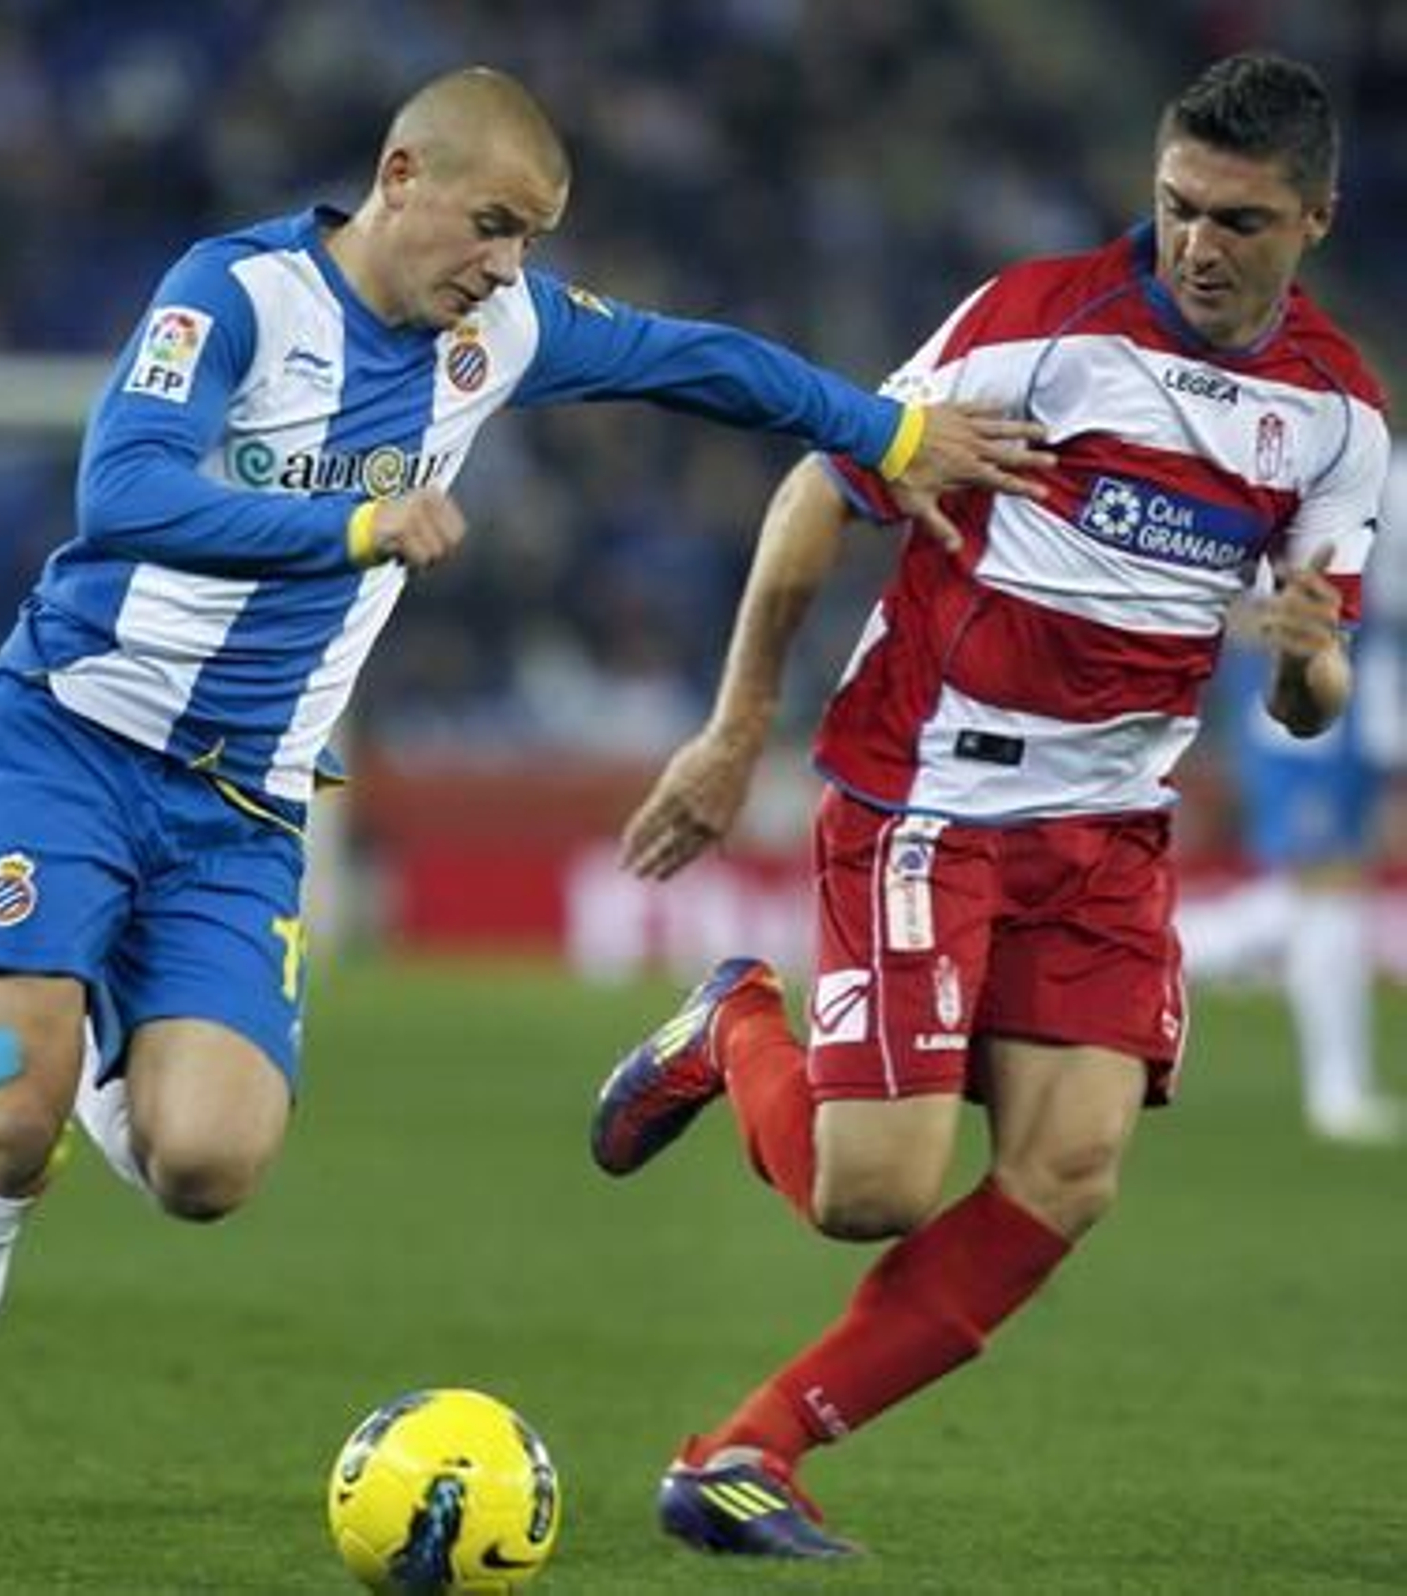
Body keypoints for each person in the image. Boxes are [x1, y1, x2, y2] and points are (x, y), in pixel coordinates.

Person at [0, 66, 1049, 1589]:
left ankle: (86, 1043)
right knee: (8, 1115)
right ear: (401, 177)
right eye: (492, 224)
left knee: (208, 1167)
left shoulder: (504, 332)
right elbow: (120, 493)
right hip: (68, 741)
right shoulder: (237, 296)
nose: (507, 265)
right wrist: (352, 524)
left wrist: (890, 428)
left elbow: (703, 361)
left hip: (241, 810)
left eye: (531, 238)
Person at [590, 51, 1388, 1560]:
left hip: (1110, 830)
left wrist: (1304, 663)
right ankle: (733, 1027)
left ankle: (746, 1453)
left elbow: (1312, 690)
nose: (1196, 245)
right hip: (934, 795)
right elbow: (820, 489)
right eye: (1176, 206)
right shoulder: (1036, 328)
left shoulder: (1339, 418)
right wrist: (736, 727)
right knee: (870, 1194)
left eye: (1237, 221)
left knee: (1069, 1175)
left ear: (1316, 219)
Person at [1177, 486, 1407, 1144]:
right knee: (1325, 882)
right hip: (1306, 716)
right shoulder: (1304, 468)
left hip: (1367, 704)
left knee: (1331, 889)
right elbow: (1240, 598)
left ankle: (1170, 944)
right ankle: (1337, 1093)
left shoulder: (1376, 465)